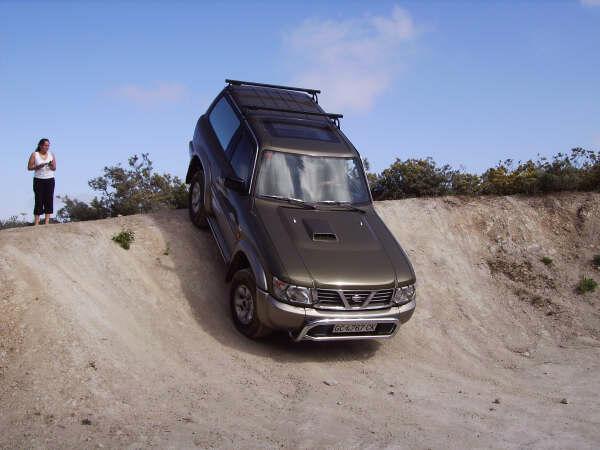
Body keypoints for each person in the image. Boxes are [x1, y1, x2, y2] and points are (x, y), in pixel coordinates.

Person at [27, 138, 57, 225]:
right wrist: (38, 166)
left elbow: (54, 168)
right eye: (45, 145)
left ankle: (47, 221)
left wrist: (51, 165)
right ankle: (37, 221)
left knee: (49, 198)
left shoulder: (51, 154)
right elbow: (29, 167)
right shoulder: (34, 154)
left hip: (50, 179)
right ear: (40, 145)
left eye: (48, 145)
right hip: (38, 180)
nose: (47, 147)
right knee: (38, 199)